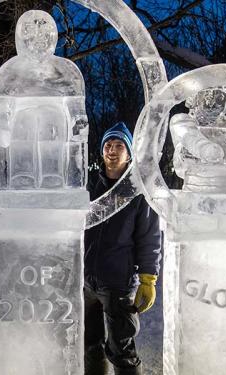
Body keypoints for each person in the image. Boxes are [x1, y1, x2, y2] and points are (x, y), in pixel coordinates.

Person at [84, 122, 161, 375]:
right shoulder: (89, 188)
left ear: (129, 153)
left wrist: (148, 278)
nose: (112, 150)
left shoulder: (137, 192)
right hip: (86, 283)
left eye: (119, 146)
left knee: (121, 348)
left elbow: (149, 237)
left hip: (118, 282)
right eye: (108, 145)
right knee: (89, 345)